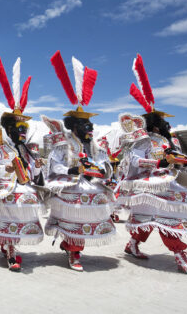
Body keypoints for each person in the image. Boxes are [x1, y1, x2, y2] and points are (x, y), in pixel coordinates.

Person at [116, 54, 187, 274]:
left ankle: (133, 244)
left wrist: (182, 162)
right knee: (167, 219)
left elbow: (177, 160)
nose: (168, 125)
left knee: (158, 219)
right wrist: (160, 161)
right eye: (164, 122)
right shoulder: (144, 140)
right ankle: (180, 256)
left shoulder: (171, 140)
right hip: (151, 184)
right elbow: (134, 161)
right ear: (155, 126)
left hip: (170, 181)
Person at [41, 53, 115, 271]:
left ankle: (72, 246)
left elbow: (104, 163)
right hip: (71, 185)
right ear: (73, 126)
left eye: (90, 125)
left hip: (91, 185)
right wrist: (73, 169)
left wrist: (102, 170)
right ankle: (74, 252)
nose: (90, 129)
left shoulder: (95, 146)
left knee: (90, 211)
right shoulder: (63, 144)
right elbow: (53, 165)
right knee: (75, 214)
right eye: (85, 125)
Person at [0, 57, 45, 272]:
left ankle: (9, 246)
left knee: (22, 212)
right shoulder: (0, 147)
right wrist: (6, 169)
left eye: (25, 129)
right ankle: (11, 250)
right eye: (19, 130)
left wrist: (39, 165)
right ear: (10, 130)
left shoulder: (27, 149)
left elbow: (32, 172)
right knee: (9, 215)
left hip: (24, 187)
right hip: (6, 188)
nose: (23, 133)